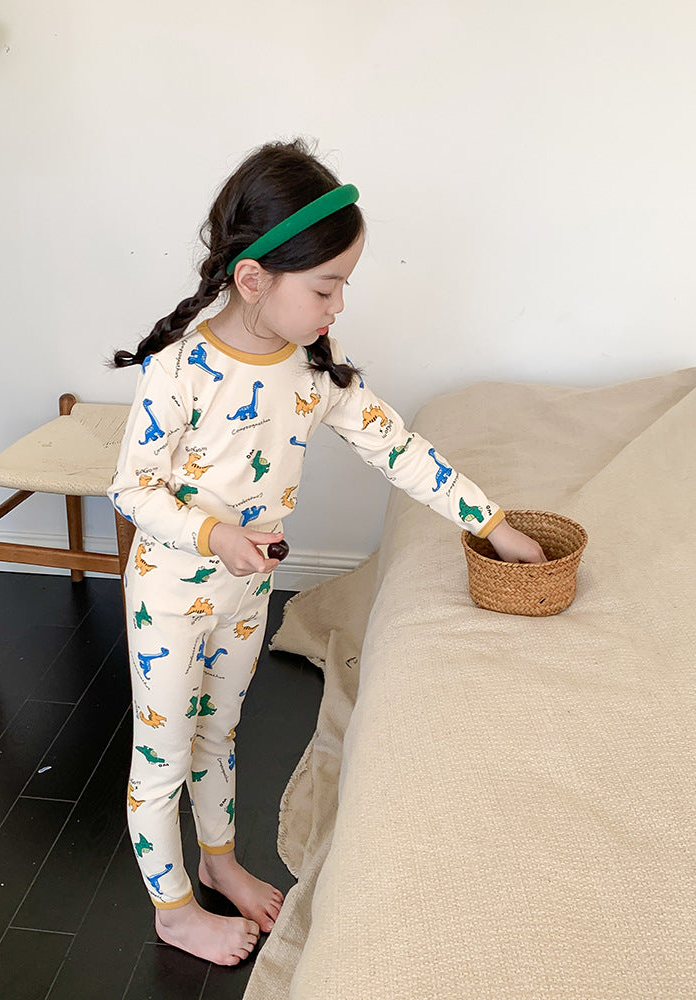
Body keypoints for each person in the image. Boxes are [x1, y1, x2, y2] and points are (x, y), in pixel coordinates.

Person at [107, 138, 546, 966]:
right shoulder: (181, 369)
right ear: (253, 279)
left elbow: (397, 446)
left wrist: (491, 524)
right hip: (170, 599)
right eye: (325, 286)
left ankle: (219, 862)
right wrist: (216, 536)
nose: (338, 305)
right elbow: (132, 489)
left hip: (246, 596)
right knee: (162, 757)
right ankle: (173, 910)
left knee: (219, 735)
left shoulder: (314, 370)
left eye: (344, 284)